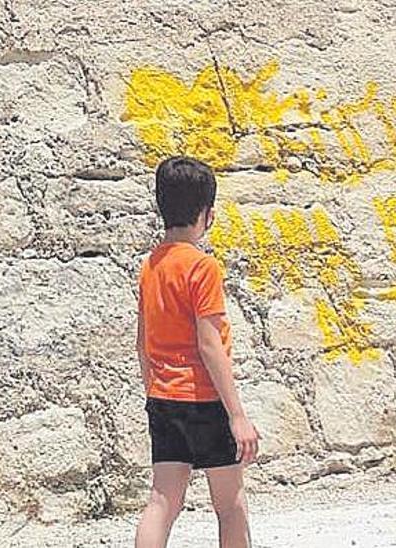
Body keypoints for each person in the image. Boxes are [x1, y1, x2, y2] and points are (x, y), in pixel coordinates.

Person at [134, 156, 260, 548]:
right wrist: (237, 415)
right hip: (205, 400)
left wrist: (155, 390)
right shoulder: (202, 267)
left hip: (164, 398)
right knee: (230, 504)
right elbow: (210, 344)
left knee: (162, 501)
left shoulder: (150, 265)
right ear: (207, 214)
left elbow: (142, 342)